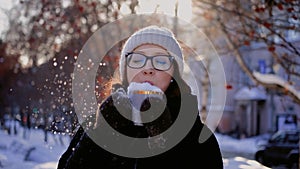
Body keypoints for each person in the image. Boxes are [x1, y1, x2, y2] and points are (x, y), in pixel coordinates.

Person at [57, 25, 224, 169]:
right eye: (137, 60)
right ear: (125, 72)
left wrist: (163, 140)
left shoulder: (198, 137)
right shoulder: (96, 123)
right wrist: (103, 135)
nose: (148, 69)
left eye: (160, 61)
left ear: (174, 74)